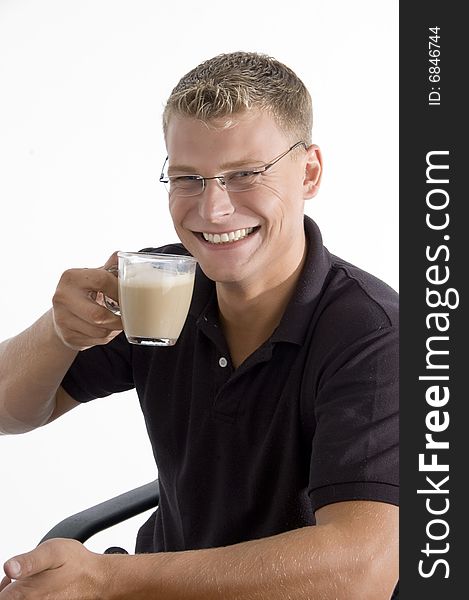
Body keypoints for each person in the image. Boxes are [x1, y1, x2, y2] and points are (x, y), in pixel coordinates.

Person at [0, 51, 398, 599]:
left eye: (245, 174)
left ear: (308, 173)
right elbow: (7, 412)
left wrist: (108, 579)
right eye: (188, 178)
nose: (212, 210)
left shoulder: (375, 336)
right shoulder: (159, 284)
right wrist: (57, 333)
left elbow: (362, 571)